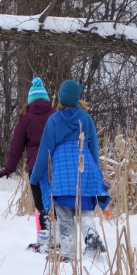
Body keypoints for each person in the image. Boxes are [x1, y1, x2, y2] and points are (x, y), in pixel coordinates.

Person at [30, 79, 109, 261]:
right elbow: (93, 150)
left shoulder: (54, 120)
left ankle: (67, 253)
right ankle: (91, 237)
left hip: (63, 176)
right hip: (85, 172)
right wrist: (96, 175)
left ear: (60, 97)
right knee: (85, 213)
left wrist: (35, 176)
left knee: (65, 216)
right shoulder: (86, 119)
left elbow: (45, 151)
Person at [0, 77, 55, 252]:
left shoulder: (26, 118)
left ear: (30, 100)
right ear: (46, 99)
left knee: (40, 203)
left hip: (36, 166)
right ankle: (59, 238)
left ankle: (44, 240)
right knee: (57, 201)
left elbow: (16, 146)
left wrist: (9, 168)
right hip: (56, 165)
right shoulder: (55, 115)